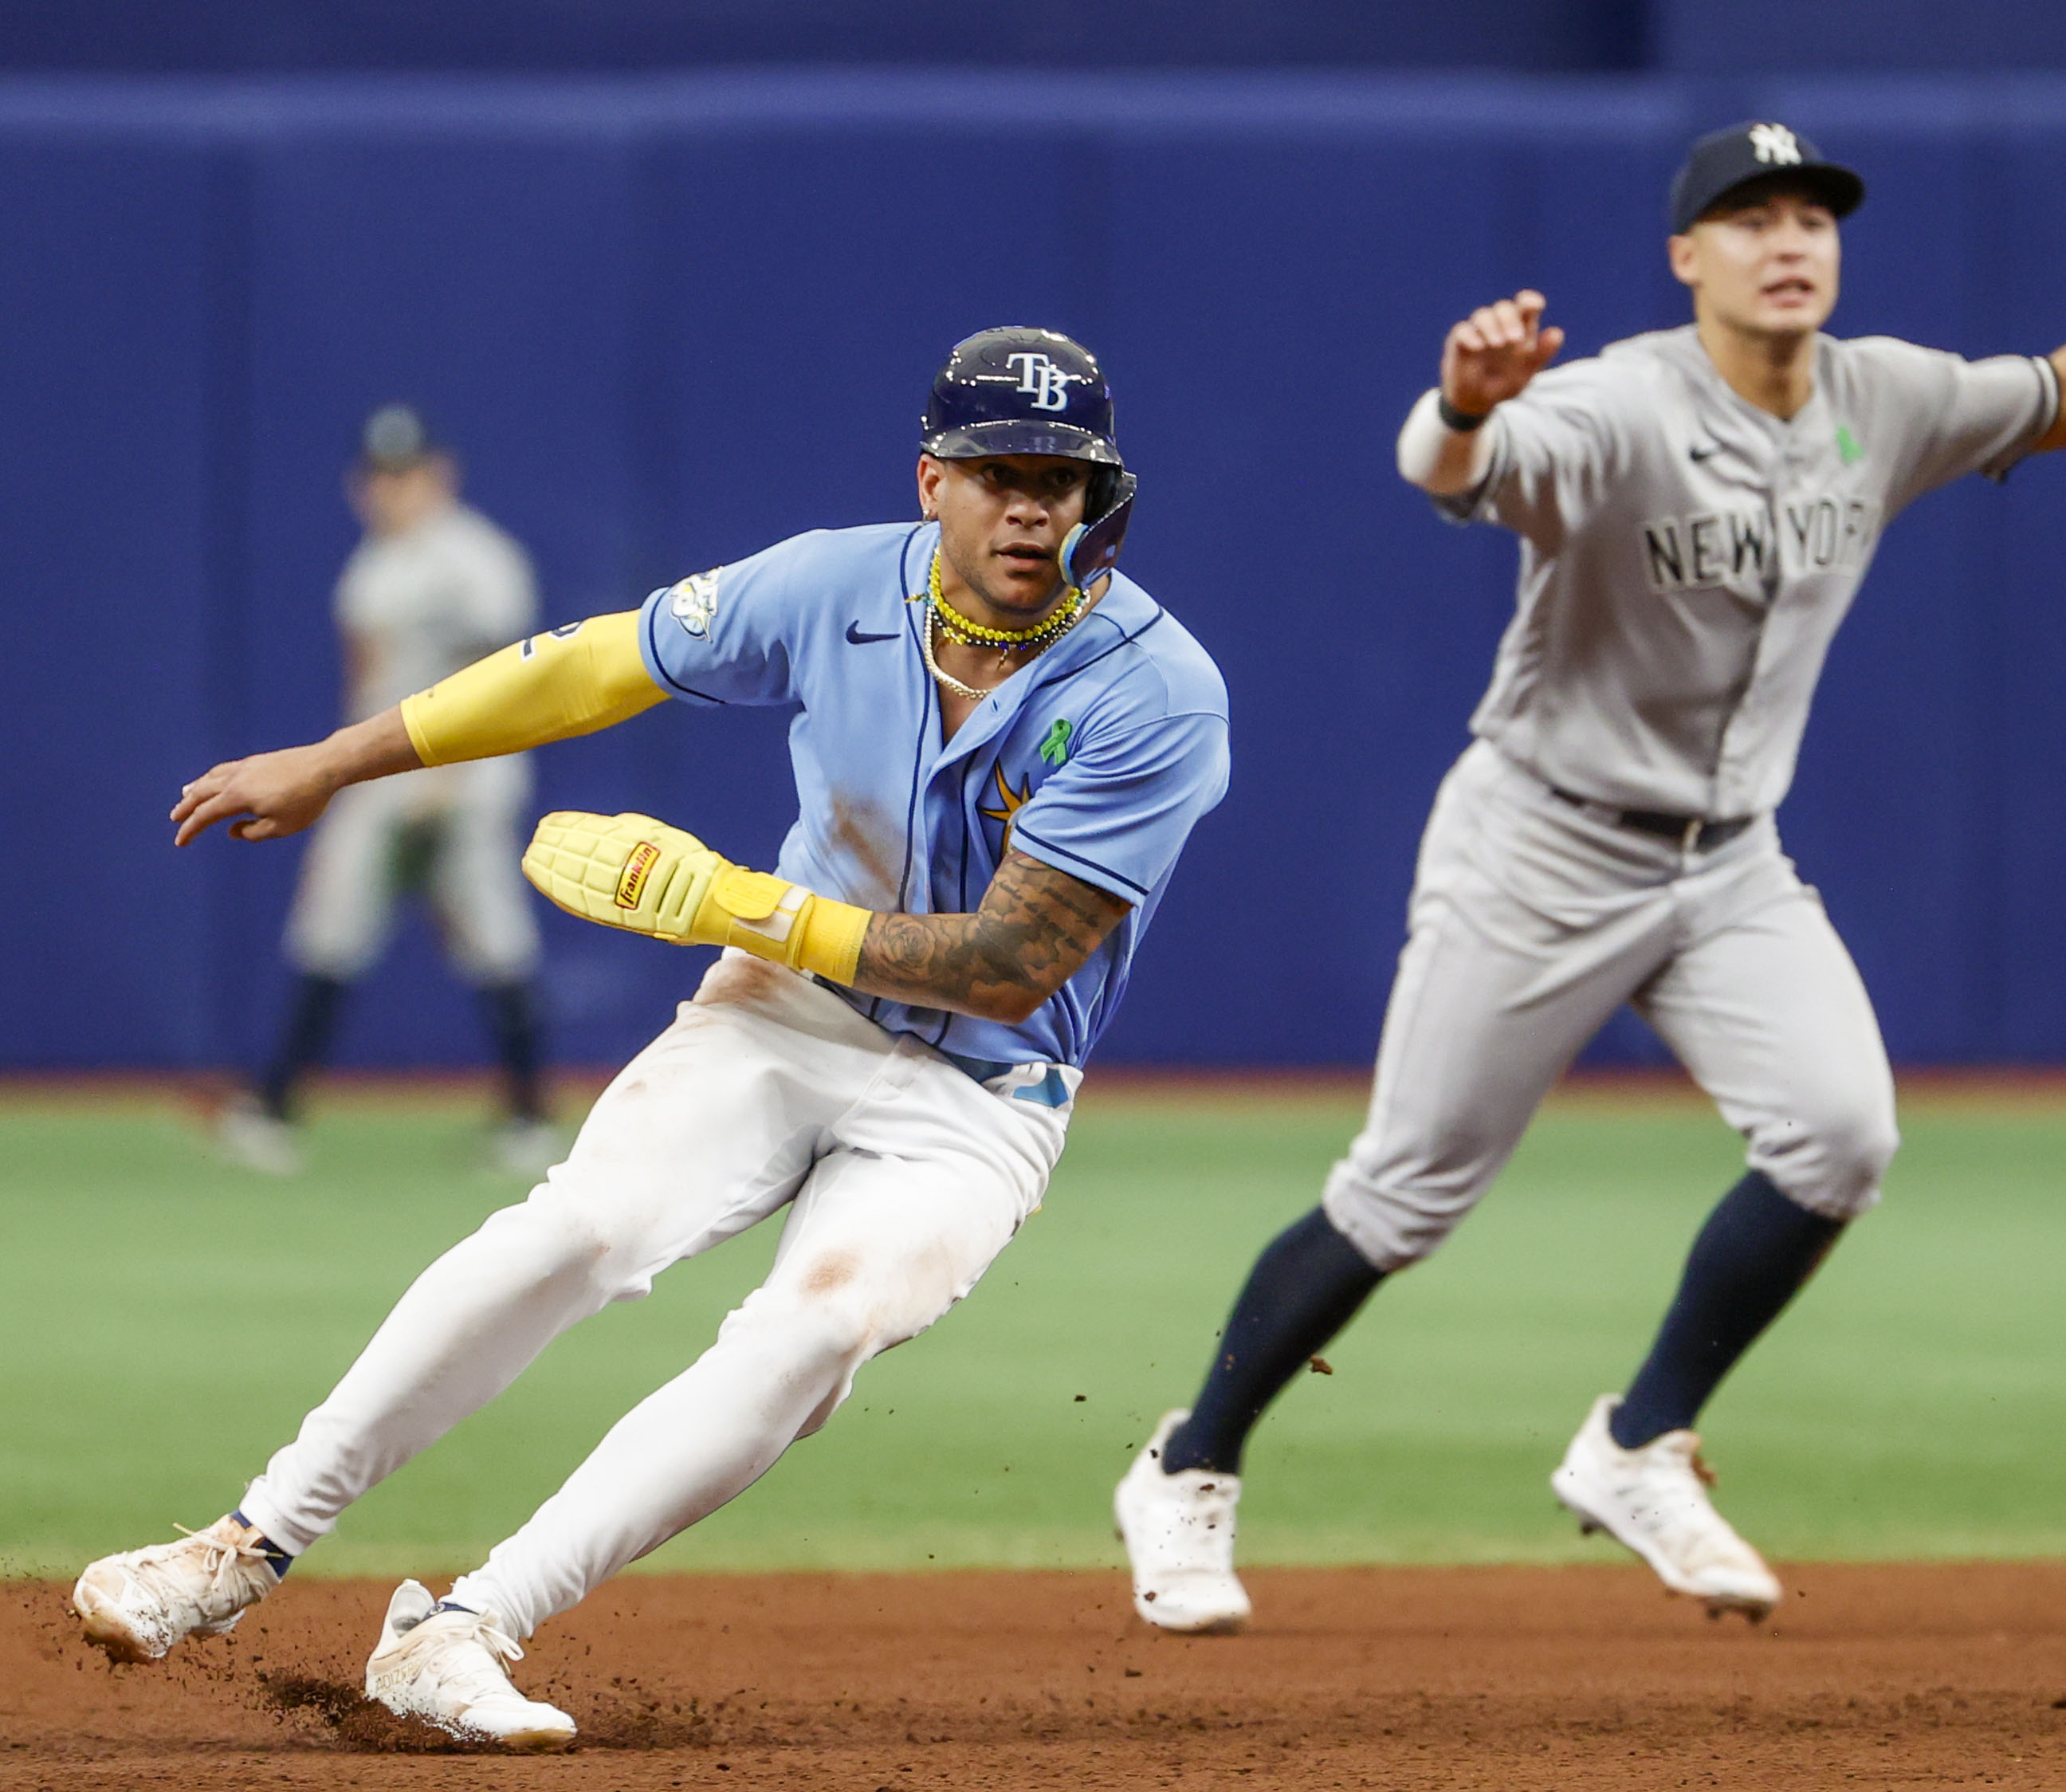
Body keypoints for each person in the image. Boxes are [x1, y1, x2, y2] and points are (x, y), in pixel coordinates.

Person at [1113, 116, 2066, 1635]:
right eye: (1750, 216)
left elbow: (2063, 397)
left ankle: (1637, 1440)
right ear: (1685, 256)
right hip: (1540, 841)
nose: (1789, 241)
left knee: (1841, 1135)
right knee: (1403, 1192)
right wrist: (1461, 406)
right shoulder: (1615, 405)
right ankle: (1187, 1466)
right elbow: (1452, 471)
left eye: (1812, 217)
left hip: (1727, 865)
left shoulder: (1883, 395)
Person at [75, 328, 1229, 1748]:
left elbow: (1008, 964)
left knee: (814, 1332)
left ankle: (464, 1628)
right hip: (782, 1018)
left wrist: (746, 904)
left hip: (980, 1088)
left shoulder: (1154, 688)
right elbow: (588, 669)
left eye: (1062, 475)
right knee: (581, 1227)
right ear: (932, 479)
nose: (1031, 503)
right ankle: (236, 1553)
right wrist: (336, 758)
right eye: (999, 470)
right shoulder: (830, 583)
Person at [213, 404, 556, 1177]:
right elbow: (365, 684)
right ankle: (271, 1110)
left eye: (406, 472)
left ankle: (531, 1118)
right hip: (379, 781)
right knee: (329, 927)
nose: (391, 487)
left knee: (496, 939)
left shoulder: (477, 557)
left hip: (463, 782)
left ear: (439, 474)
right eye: (380, 474)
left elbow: (509, 677)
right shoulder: (373, 564)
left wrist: (455, 779)